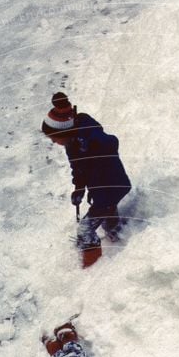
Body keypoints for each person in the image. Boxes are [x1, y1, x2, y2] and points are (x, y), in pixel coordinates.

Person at [41, 93, 131, 267]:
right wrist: (79, 189)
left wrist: (88, 141)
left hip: (112, 187)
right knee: (108, 217)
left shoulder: (90, 137)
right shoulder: (71, 144)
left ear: (65, 132)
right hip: (103, 191)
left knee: (85, 229)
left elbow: (111, 142)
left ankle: (93, 267)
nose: (52, 141)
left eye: (54, 137)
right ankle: (120, 241)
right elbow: (78, 169)